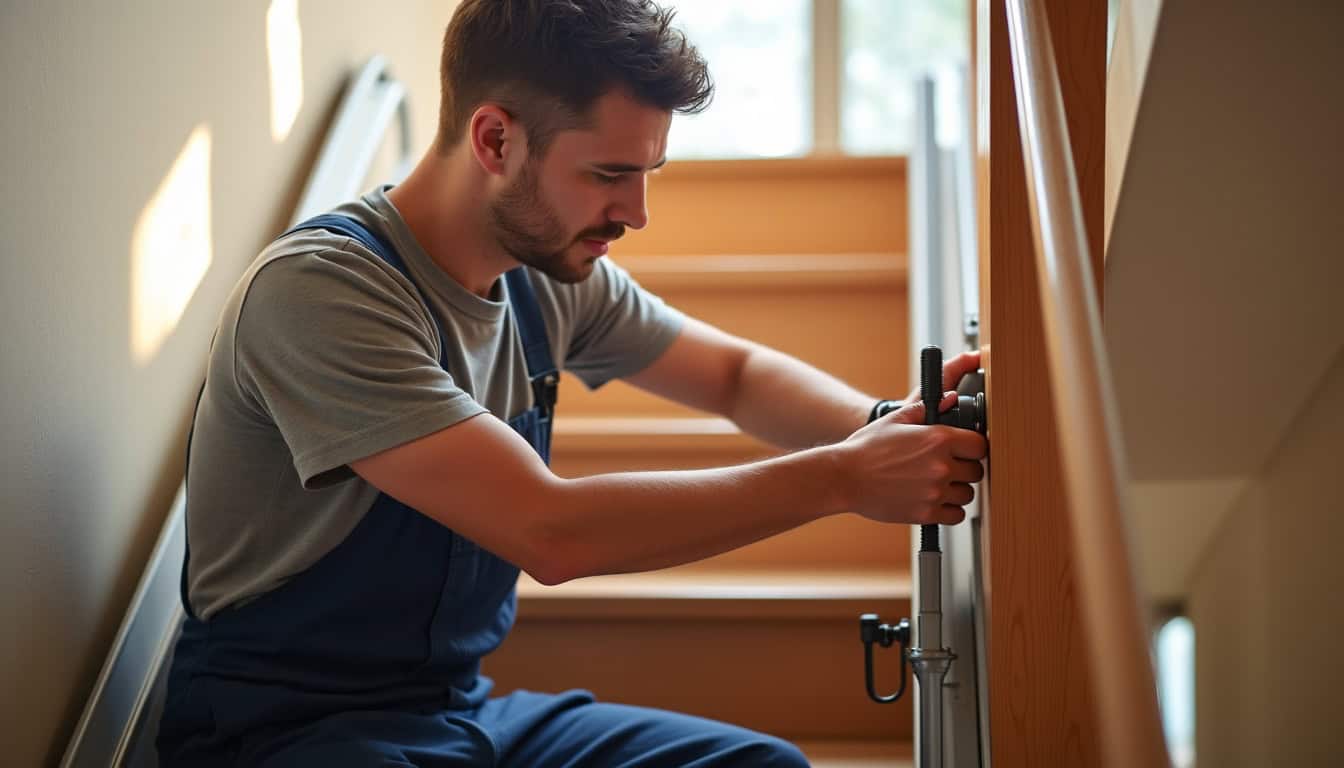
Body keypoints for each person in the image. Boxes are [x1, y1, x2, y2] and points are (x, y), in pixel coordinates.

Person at [156, 0, 987, 765]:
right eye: (608, 174)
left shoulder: (547, 278)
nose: (636, 212)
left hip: (452, 712)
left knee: (763, 766)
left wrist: (883, 422)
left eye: (647, 173)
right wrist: (844, 478)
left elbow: (734, 377)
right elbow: (552, 532)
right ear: (495, 141)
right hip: (282, 732)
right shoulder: (324, 291)